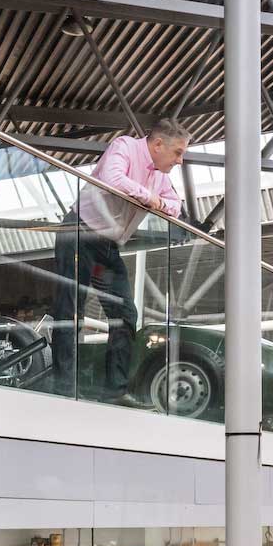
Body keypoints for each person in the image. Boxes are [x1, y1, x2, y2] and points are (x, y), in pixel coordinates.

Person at [60, 121, 188, 394]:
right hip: (80, 233)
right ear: (157, 145)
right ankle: (64, 384)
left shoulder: (160, 176)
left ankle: (115, 389)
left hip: (107, 246)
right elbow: (112, 179)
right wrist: (148, 197)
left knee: (125, 314)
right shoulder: (125, 146)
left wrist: (158, 201)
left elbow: (175, 207)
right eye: (177, 152)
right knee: (71, 308)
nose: (180, 160)